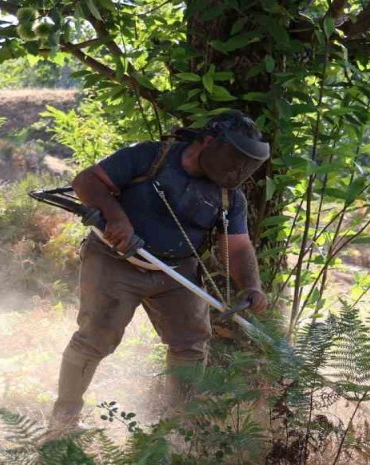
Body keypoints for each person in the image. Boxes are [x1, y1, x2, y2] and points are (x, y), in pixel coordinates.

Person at [48, 110, 271, 435]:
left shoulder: (228, 196)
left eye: (246, 164)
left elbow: (236, 247)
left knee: (191, 346)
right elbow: (86, 181)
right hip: (114, 261)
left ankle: (180, 429)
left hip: (177, 271)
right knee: (95, 339)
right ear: (209, 142)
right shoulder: (149, 157)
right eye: (234, 159)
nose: (237, 170)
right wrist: (116, 218)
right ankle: (64, 420)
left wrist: (251, 286)